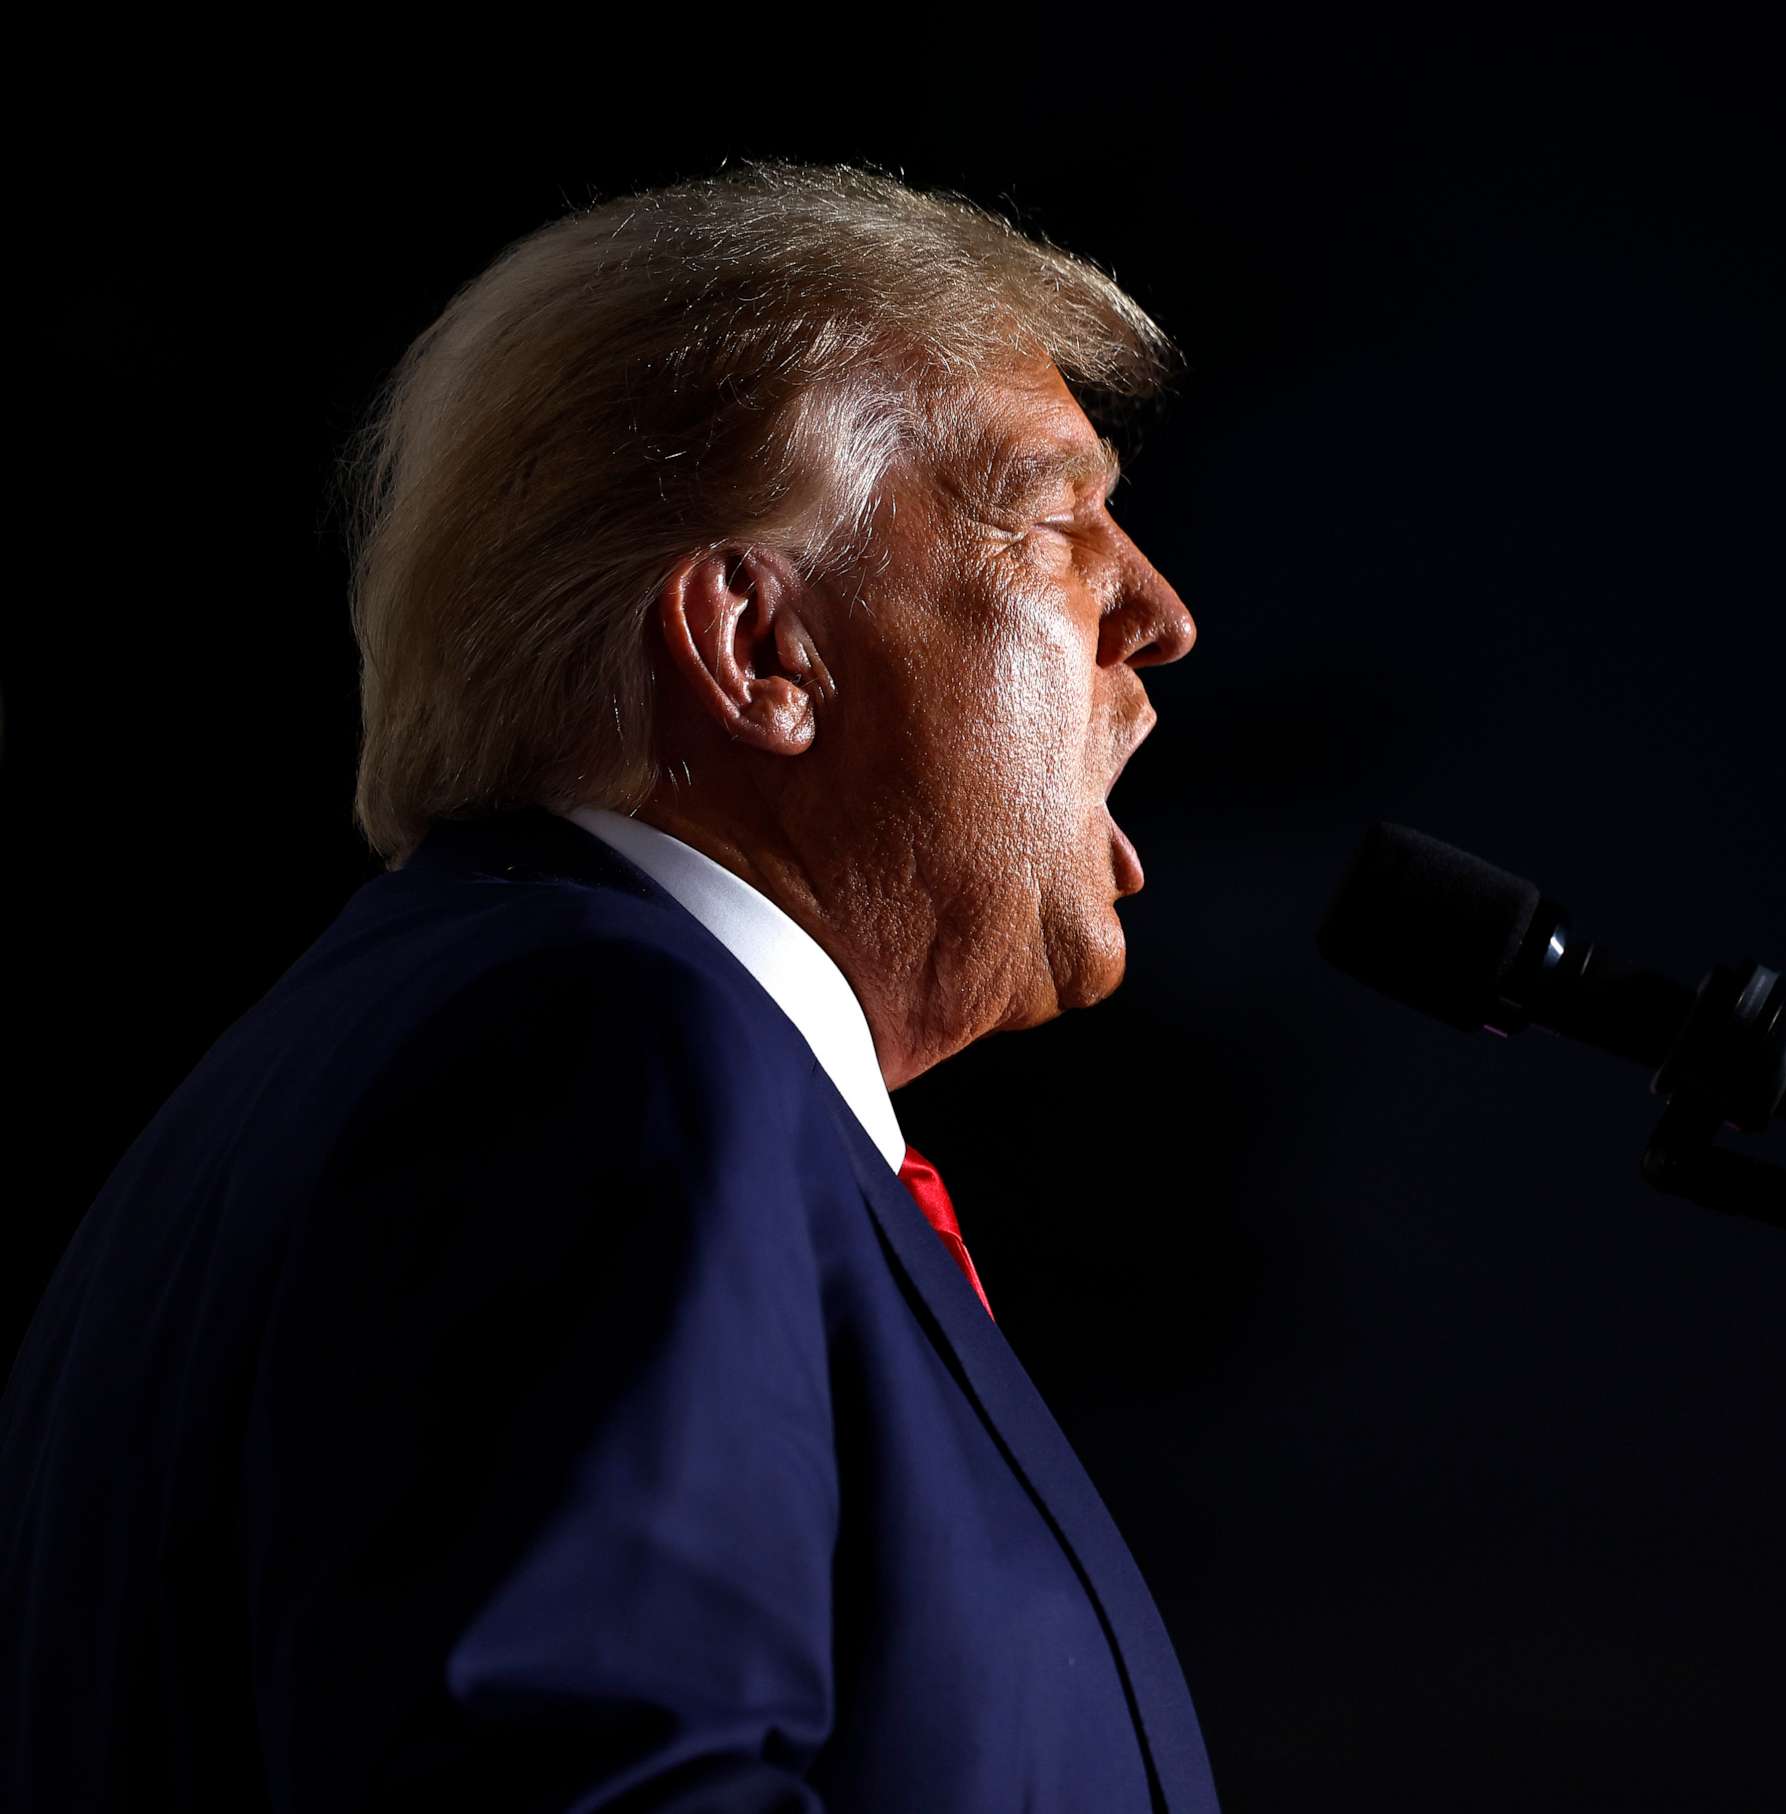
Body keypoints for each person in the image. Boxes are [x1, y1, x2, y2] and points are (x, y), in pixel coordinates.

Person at [0, 162, 1215, 1813]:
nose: (1158, 614)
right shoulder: (595, 1055)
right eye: (1059, 517)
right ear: (760, 649)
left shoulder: (429, 1050)